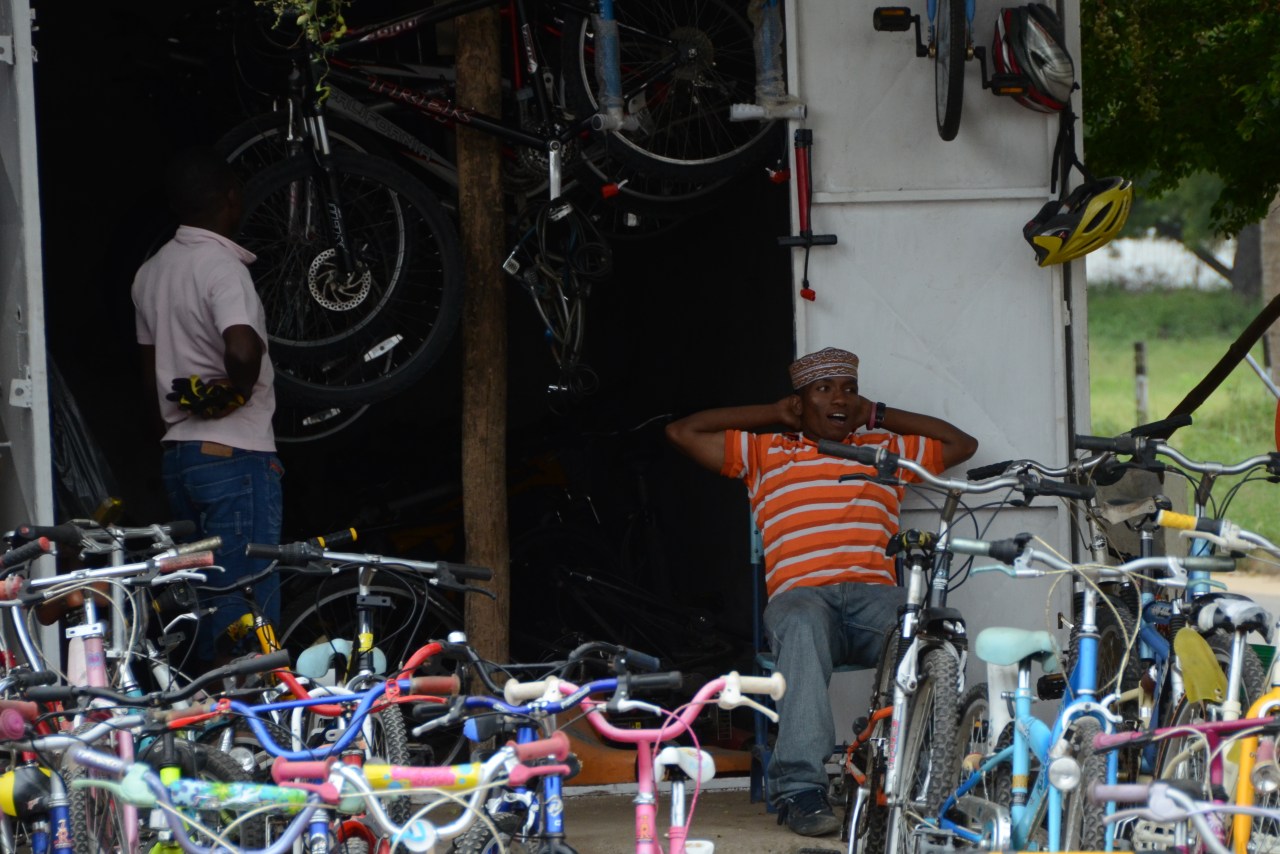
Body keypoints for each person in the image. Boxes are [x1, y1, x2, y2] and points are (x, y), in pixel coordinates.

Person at [665, 346, 978, 837]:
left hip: (875, 602)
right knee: (802, 621)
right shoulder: (766, 452)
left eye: (850, 390)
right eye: (825, 389)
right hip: (804, 600)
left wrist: (878, 415)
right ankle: (801, 789)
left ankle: (930, 780)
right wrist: (774, 413)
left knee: (931, 623)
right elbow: (682, 432)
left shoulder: (883, 452)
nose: (840, 399)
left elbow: (963, 444)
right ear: (800, 401)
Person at [132, 145, 283, 669]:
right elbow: (241, 349)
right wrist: (234, 394)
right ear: (231, 198)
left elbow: (150, 377)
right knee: (244, 605)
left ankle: (210, 712)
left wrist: (176, 433)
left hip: (182, 459)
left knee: (201, 601)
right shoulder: (221, 265)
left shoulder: (150, 273)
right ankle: (248, 715)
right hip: (235, 457)